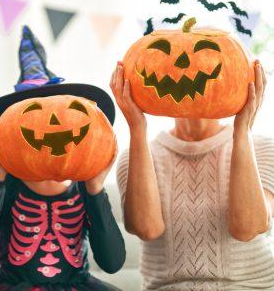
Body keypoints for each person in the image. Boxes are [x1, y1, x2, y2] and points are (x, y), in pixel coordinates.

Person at [0, 26, 125, 291]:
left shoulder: (85, 188)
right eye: (31, 113)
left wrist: (95, 189)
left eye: (68, 112)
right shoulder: (7, 187)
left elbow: (113, 262)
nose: (51, 124)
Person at [112, 60, 274, 290]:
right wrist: (136, 127)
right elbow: (147, 228)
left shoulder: (262, 148)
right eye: (175, 65)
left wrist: (243, 130)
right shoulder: (135, 155)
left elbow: (247, 227)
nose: (185, 66)